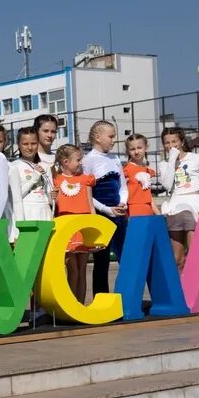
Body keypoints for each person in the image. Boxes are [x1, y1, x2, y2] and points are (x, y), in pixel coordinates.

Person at [159, 126, 199, 270]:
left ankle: (194, 290)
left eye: (174, 141)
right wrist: (172, 160)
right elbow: (167, 185)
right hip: (174, 209)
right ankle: (179, 291)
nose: (171, 146)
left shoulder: (195, 158)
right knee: (177, 258)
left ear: (182, 141)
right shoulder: (164, 164)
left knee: (194, 254)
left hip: (194, 208)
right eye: (167, 143)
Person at [82, 120, 127, 294]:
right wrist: (108, 210)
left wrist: (122, 202)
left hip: (119, 214)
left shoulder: (115, 158)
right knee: (102, 261)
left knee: (125, 257)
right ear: (97, 137)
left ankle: (125, 298)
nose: (114, 140)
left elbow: (122, 186)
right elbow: (87, 195)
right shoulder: (88, 161)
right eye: (111, 136)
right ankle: (101, 299)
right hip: (102, 215)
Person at [52, 144, 97, 303]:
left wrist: (94, 228)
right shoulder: (56, 180)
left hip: (83, 229)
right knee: (72, 268)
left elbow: (91, 205)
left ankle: (81, 304)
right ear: (65, 161)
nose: (80, 163)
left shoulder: (86, 180)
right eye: (78, 160)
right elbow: (54, 207)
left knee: (82, 268)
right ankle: (72, 305)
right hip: (66, 230)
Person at [8, 127, 51, 242]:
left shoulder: (44, 166)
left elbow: (49, 195)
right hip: (27, 211)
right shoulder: (14, 166)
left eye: (33, 143)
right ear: (19, 145)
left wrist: (53, 195)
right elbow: (15, 196)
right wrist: (34, 177)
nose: (30, 147)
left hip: (44, 210)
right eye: (25, 144)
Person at [123, 134, 158, 218]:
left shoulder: (146, 170)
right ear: (128, 151)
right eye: (132, 149)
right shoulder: (126, 170)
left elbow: (149, 197)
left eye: (139, 148)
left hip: (148, 209)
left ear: (145, 148)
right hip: (132, 210)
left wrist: (158, 213)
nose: (136, 151)